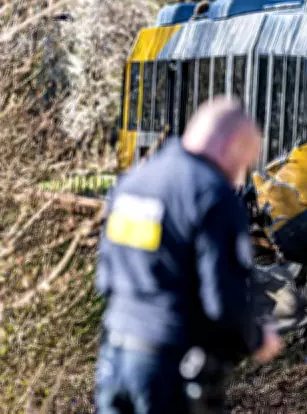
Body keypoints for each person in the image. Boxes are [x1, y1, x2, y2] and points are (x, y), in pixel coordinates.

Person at [95, 96, 283, 413]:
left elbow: (106, 277)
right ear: (233, 144)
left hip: (114, 358)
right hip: (169, 368)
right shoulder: (211, 193)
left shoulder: (135, 181)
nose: (238, 177)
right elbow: (223, 298)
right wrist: (256, 338)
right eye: (243, 162)